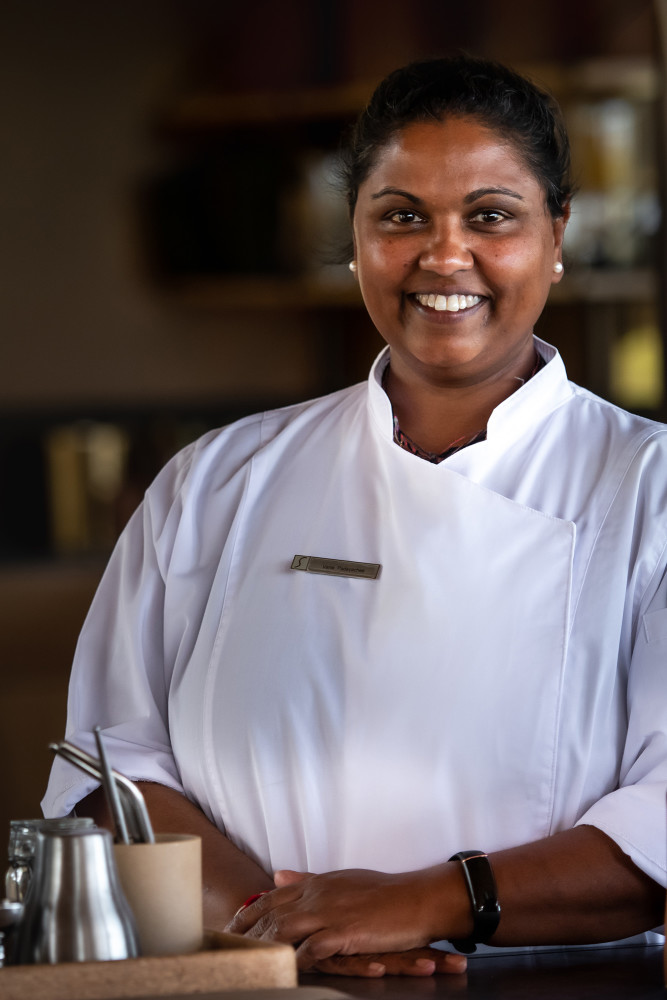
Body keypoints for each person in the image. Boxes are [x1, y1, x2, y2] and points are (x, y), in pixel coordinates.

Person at [43, 55, 667, 978]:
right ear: (356, 235)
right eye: (401, 216)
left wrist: (427, 901)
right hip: (258, 983)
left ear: (556, 235)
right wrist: (284, 931)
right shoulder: (214, 482)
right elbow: (113, 771)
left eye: (490, 216)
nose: (443, 255)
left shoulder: (649, 487)